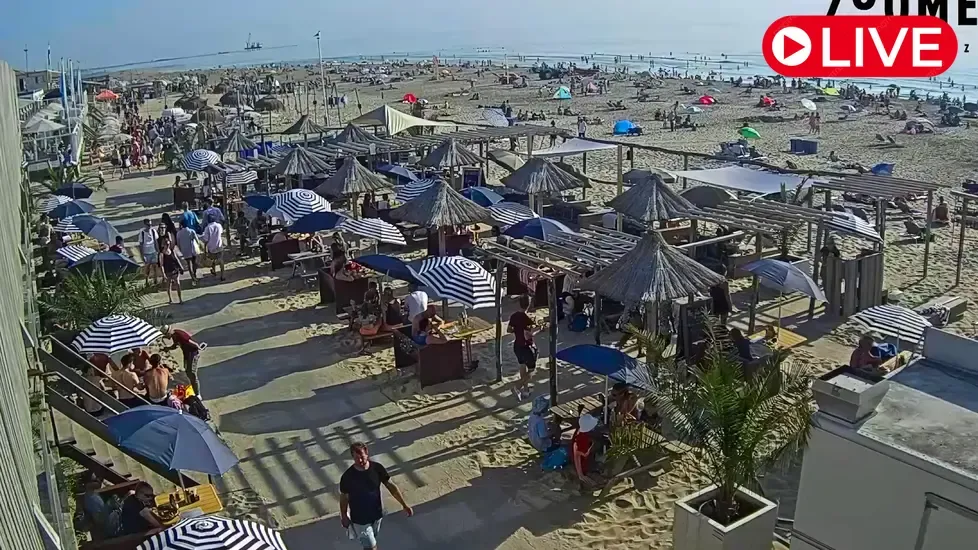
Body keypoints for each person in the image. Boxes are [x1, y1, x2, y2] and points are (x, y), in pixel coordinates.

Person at [339, 443, 413, 550]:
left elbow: (391, 487)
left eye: (361, 457)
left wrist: (404, 505)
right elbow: (344, 498)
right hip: (360, 519)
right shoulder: (347, 476)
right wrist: (344, 515)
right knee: (371, 547)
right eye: (356, 458)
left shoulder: (377, 468)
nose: (359, 460)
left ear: (367, 453)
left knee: (371, 543)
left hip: (377, 515)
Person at [509, 294, 537, 400]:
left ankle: (525, 390)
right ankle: (517, 386)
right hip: (526, 346)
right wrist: (539, 328)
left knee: (522, 365)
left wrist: (517, 330)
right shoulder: (527, 319)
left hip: (517, 345)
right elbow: (529, 334)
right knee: (532, 369)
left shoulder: (514, 316)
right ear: (528, 304)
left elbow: (509, 330)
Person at [162, 325, 204, 397]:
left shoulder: (178, 334)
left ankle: (197, 394)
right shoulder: (174, 336)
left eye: (166, 335)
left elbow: (189, 341)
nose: (166, 337)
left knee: (192, 373)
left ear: (168, 333)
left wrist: (198, 346)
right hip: (187, 354)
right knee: (187, 371)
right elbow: (175, 346)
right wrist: (168, 348)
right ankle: (193, 388)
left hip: (192, 353)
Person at [572, 414, 598, 485]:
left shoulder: (579, 432)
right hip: (582, 464)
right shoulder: (583, 438)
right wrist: (592, 446)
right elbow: (581, 454)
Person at [159, 236, 184, 304]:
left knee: (178, 284)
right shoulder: (162, 254)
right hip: (167, 272)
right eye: (166, 244)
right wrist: (163, 274)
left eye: (168, 244)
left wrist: (181, 267)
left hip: (175, 270)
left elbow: (176, 259)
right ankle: (170, 299)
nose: (168, 246)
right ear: (163, 245)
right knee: (168, 285)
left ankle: (180, 299)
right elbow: (161, 265)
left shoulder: (172, 251)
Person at [201, 215, 225, 281]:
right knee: (221, 260)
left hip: (211, 247)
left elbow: (206, 240)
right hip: (219, 246)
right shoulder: (219, 225)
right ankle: (222, 276)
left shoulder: (207, 228)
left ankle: (214, 270)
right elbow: (221, 233)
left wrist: (204, 250)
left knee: (212, 260)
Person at [137, 218, 160, 286]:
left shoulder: (153, 231)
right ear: (145, 225)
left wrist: (158, 251)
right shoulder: (142, 233)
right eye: (148, 225)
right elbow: (140, 244)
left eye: (150, 224)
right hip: (146, 253)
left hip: (153, 251)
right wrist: (142, 255)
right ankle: (147, 281)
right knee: (147, 268)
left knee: (155, 267)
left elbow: (156, 241)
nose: (150, 226)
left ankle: (155, 280)